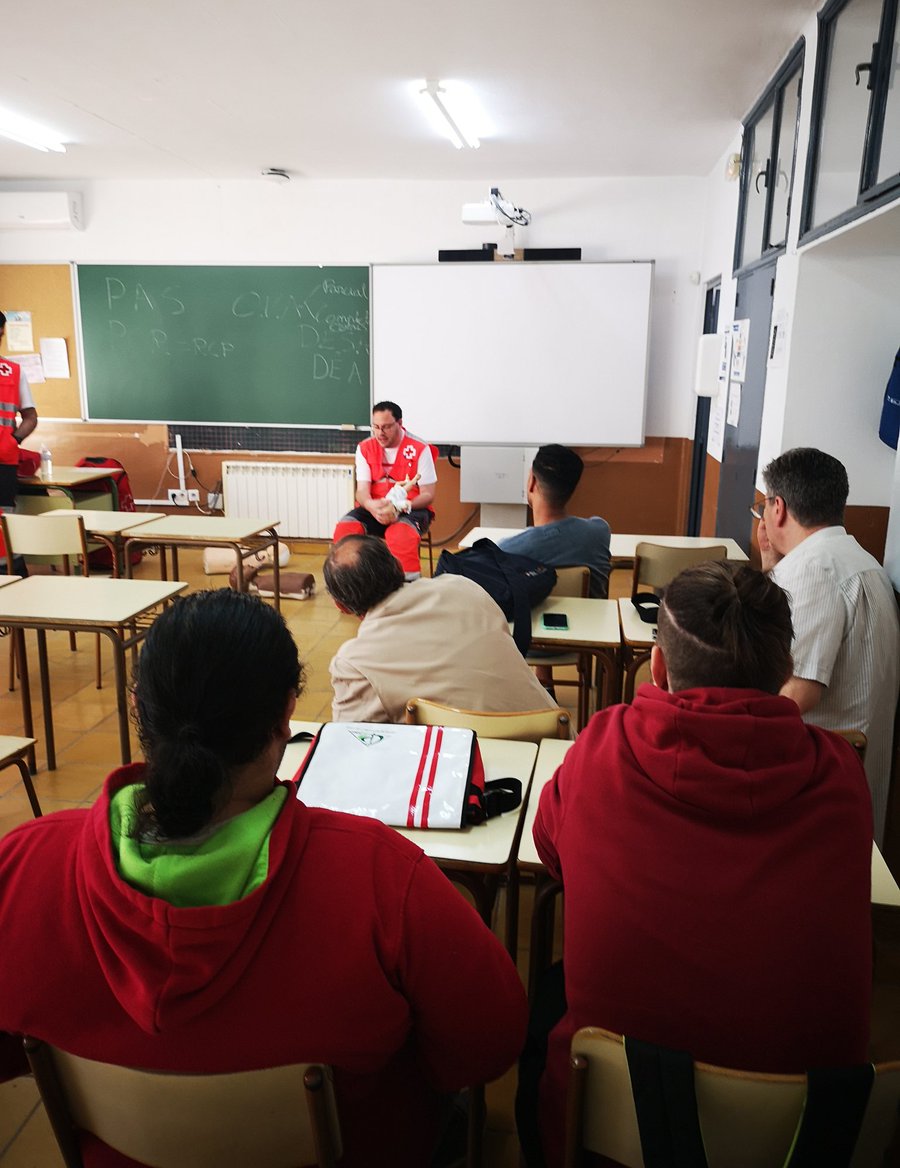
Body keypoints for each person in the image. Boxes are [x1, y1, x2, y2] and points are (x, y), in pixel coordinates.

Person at [0, 589, 528, 1168]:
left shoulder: (23, 865)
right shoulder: (382, 878)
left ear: (137, 706)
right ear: (285, 714)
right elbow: (486, 1046)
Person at [518, 561, 872, 1168]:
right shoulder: (842, 774)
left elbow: (551, 852)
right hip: (806, 1134)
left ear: (657, 666)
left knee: (547, 995)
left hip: (614, 1132)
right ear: (785, 672)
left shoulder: (603, 745)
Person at [757, 446, 900, 846]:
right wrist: (770, 565)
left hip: (817, 786)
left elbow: (798, 694)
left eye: (763, 506)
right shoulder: (857, 558)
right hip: (856, 779)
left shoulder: (812, 571)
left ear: (779, 508)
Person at [325, 534, 554, 723]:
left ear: (341, 606)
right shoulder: (464, 587)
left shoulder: (356, 663)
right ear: (398, 566)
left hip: (469, 767)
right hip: (552, 743)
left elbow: (349, 741)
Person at [333, 400, 437, 580]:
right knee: (346, 528)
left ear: (400, 424)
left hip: (410, 509)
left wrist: (401, 506)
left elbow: (428, 494)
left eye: (387, 427)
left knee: (400, 535)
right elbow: (362, 490)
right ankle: (350, 588)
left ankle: (407, 592)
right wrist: (371, 505)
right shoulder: (365, 447)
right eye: (376, 427)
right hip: (375, 509)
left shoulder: (420, 448)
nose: (380, 433)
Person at [498, 444, 611, 598]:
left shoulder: (507, 549)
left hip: (534, 621)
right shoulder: (601, 532)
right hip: (591, 621)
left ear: (532, 482)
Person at [0, 310, 39, 519]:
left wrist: (13, 440)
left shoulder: (13, 371)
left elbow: (30, 417)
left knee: (4, 520)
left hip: (3, 460)